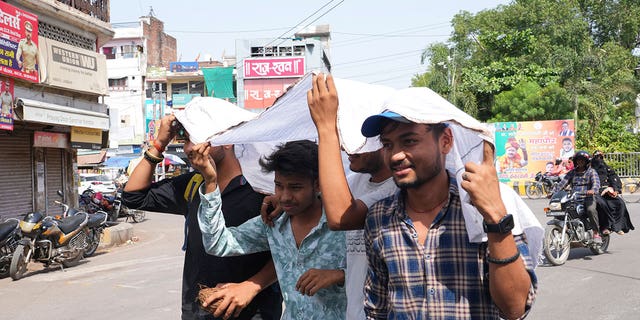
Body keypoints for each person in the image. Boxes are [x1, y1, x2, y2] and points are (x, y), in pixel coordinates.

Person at [359, 111, 537, 317]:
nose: (396, 155)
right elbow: (377, 308)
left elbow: (514, 308)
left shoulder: (483, 206)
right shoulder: (379, 217)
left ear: (445, 141)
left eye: (409, 141)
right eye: (388, 145)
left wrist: (495, 218)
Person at [122, 114, 282, 320]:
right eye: (186, 140)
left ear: (227, 140)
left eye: (196, 138)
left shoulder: (264, 191)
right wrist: (160, 143)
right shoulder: (193, 184)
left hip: (253, 310)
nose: (188, 148)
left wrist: (251, 287)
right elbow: (133, 197)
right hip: (197, 310)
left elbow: (289, 249)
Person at [196, 140, 347, 320]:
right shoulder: (273, 222)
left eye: (295, 187)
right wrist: (211, 182)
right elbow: (218, 244)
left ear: (317, 184)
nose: (285, 196)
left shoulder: (344, 223)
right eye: (279, 186)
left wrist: (339, 276)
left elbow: (375, 272)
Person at [302, 73, 397, 320]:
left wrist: (326, 128)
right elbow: (324, 199)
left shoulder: (395, 190)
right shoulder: (355, 181)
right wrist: (278, 200)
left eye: (354, 137)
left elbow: (341, 218)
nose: (345, 146)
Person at [553, 150, 602, 243]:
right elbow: (562, 183)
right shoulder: (572, 172)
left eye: (582, 160)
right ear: (575, 162)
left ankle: (596, 233)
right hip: (574, 198)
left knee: (591, 209)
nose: (580, 162)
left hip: (588, 198)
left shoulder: (591, 172)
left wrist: (592, 190)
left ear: (586, 162)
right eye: (578, 160)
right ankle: (568, 231)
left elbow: (596, 183)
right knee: (562, 210)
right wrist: (553, 192)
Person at [591, 150, 634, 235]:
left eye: (600, 157)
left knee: (620, 203)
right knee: (602, 204)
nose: (599, 159)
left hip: (607, 192)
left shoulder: (607, 168)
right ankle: (605, 227)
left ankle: (617, 227)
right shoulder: (590, 169)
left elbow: (614, 179)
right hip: (596, 193)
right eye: (597, 157)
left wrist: (614, 189)